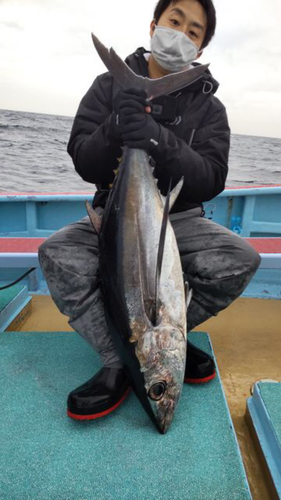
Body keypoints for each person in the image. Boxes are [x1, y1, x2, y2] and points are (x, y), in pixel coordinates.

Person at [39, 0, 260, 421]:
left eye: (194, 31)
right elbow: (84, 161)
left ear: (200, 48)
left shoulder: (209, 108)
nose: (181, 33)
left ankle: (169, 335)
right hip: (115, 217)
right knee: (55, 253)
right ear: (155, 24)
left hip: (179, 220)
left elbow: (211, 178)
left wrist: (158, 138)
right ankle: (117, 358)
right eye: (175, 21)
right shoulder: (108, 87)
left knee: (240, 260)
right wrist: (115, 128)